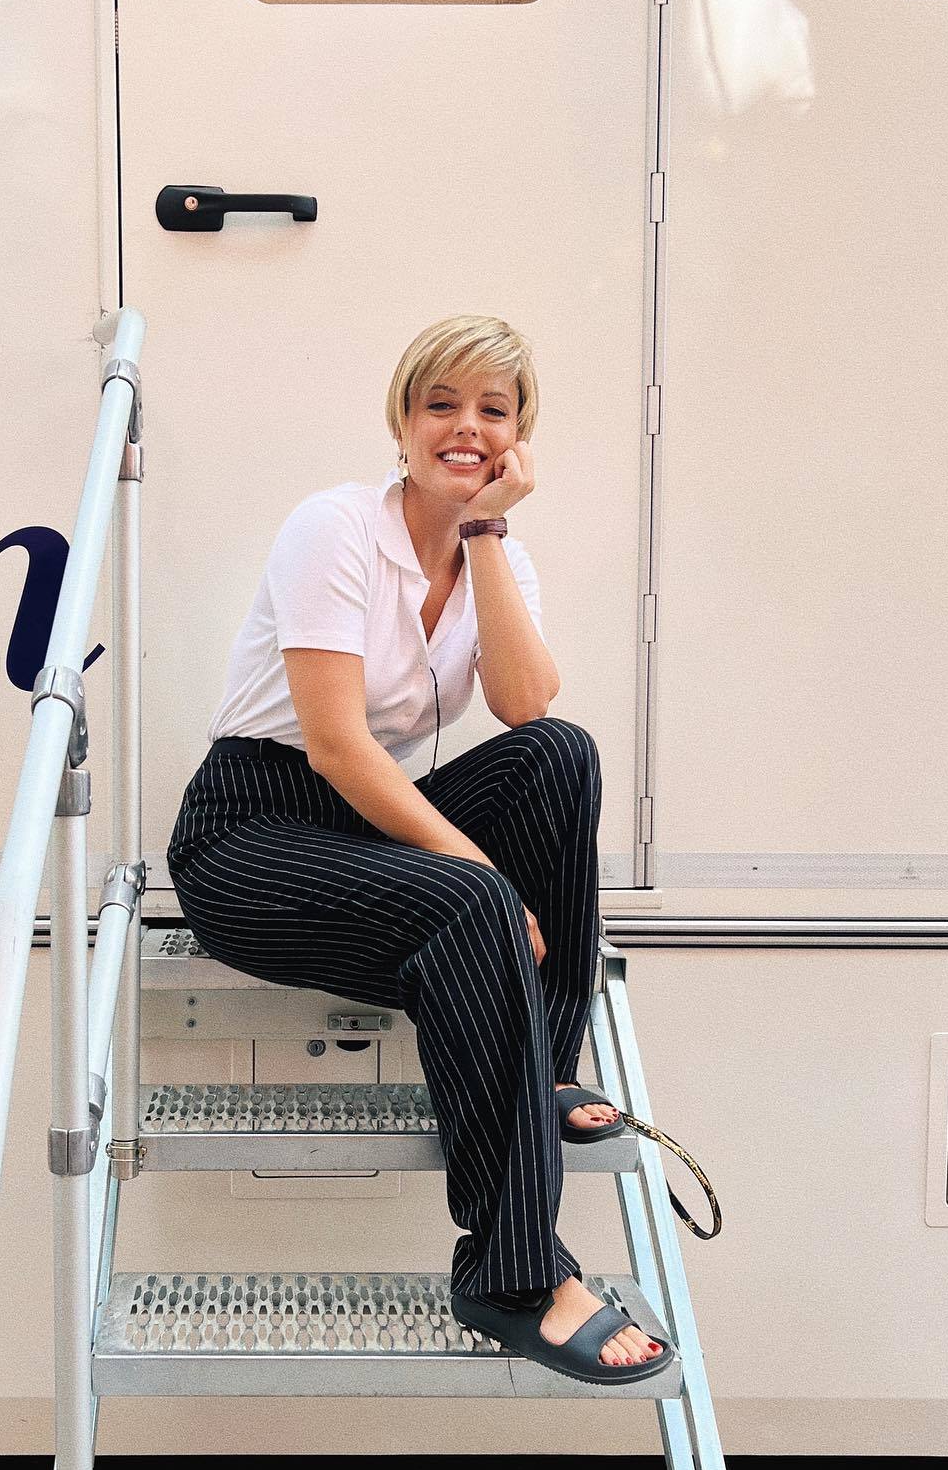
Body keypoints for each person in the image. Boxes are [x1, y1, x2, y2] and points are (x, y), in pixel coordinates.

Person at [166, 314, 667, 1386]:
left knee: (558, 757)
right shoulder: (335, 527)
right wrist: (476, 872)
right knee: (473, 903)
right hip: (250, 831)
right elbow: (340, 748)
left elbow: (525, 705)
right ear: (402, 421)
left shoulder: (498, 555)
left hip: (366, 825)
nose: (466, 428)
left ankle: (545, 1070)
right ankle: (514, 1274)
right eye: (441, 404)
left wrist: (483, 535)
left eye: (494, 410)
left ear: (520, 436)